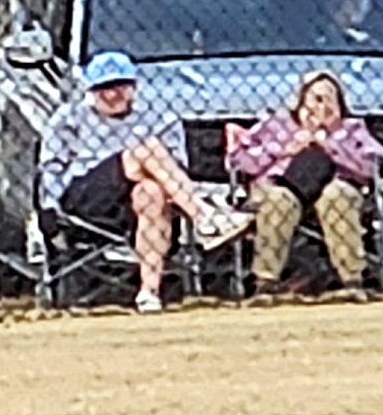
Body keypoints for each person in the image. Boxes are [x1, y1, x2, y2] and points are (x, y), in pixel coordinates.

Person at [36, 49, 249, 312]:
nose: (113, 94)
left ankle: (148, 292)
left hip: (138, 198)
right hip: (86, 196)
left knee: (151, 193)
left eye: (120, 85)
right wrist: (49, 206)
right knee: (145, 150)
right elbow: (51, 167)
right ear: (90, 90)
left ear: (133, 86)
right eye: (103, 87)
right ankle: (204, 216)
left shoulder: (159, 116)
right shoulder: (69, 118)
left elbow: (176, 167)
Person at [227, 68, 380, 293]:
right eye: (316, 99)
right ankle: (265, 283)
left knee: (336, 195)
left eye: (330, 99)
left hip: (334, 188)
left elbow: (371, 167)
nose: (323, 106)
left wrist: (331, 147)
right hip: (282, 187)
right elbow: (238, 162)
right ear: (300, 101)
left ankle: (352, 281)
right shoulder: (276, 125)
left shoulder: (352, 129)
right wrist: (283, 150)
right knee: (279, 198)